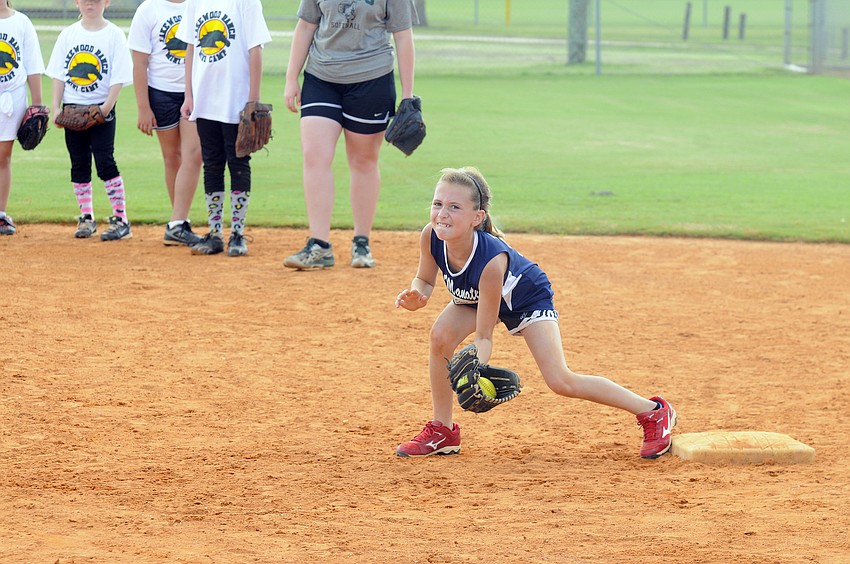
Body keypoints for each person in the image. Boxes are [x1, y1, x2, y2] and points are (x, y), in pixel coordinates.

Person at [394, 167, 677, 458]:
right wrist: (420, 295)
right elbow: (425, 280)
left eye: (455, 207)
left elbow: (484, 336)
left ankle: (653, 411)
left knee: (560, 380)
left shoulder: (491, 260)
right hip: (476, 296)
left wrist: (474, 366)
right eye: (438, 204)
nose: (443, 213)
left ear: (477, 218)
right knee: (440, 336)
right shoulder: (431, 236)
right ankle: (443, 431)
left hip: (525, 297)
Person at [282, 0, 418, 270]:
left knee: (363, 161)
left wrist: (407, 96)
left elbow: (403, 36)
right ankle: (319, 245)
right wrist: (290, 77)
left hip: (372, 79)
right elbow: (306, 25)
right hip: (321, 77)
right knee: (314, 156)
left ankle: (361, 242)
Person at [176, 0, 271, 257]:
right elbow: (191, 49)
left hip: (236, 100)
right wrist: (189, 95)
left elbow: (256, 48)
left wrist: (253, 100)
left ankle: (238, 234)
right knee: (212, 163)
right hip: (205, 99)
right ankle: (215, 233)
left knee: (238, 161)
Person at [46, 0, 134, 241]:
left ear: (106, 2)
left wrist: (105, 108)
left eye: (95, 0)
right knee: (78, 162)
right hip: (73, 108)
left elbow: (119, 76)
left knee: (105, 161)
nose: (89, 4)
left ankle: (121, 219)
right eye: (84, 0)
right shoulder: (68, 35)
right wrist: (56, 107)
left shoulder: (114, 34)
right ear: (76, 2)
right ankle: (86, 217)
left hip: (100, 110)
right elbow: (58, 74)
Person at [128, 0, 203, 247]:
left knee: (193, 155)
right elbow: (139, 63)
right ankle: (178, 223)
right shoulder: (149, 9)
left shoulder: (199, 5)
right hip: (161, 93)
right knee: (172, 156)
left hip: (193, 90)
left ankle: (177, 222)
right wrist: (143, 107)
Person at [0, 1, 44, 236]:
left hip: (12, 98)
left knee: (3, 156)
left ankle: (0, 213)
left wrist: (37, 105)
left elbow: (32, 65)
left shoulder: (21, 22)